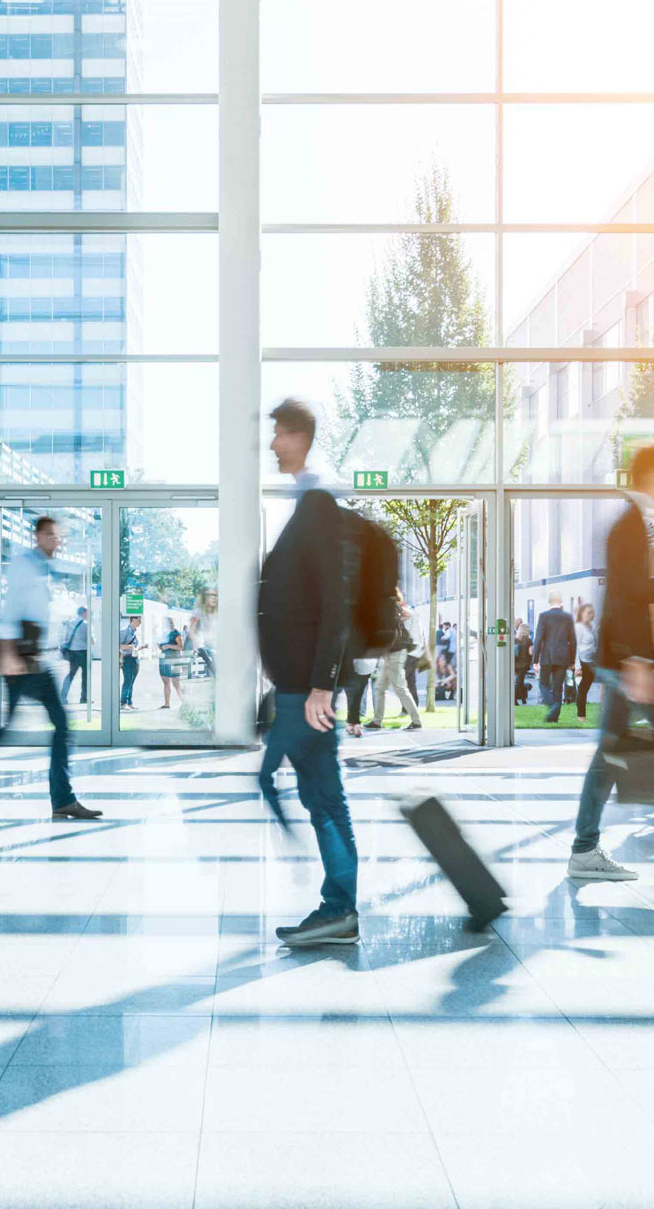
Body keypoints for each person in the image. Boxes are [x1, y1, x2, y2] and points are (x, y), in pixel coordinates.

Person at [257, 399, 358, 947]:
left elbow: (334, 602)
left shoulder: (317, 502)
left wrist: (323, 683)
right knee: (318, 795)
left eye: (278, 433)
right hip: (296, 687)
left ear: (298, 436)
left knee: (323, 798)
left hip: (307, 689)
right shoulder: (307, 501)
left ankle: (339, 906)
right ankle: (337, 903)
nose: (272, 444)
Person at [568, 443, 654, 882]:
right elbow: (624, 595)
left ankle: (589, 842)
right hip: (624, 659)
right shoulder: (630, 525)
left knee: (613, 749)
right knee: (650, 736)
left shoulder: (631, 523)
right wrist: (636, 660)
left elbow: (631, 588)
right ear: (651, 473)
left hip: (620, 658)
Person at [0, 515, 98, 821]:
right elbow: (10, 613)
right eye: (51, 535)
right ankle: (63, 799)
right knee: (60, 726)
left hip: (36, 660)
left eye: (59, 535)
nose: (57, 540)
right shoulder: (26, 566)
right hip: (24, 662)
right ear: (37, 536)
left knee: (10, 730)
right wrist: (8, 654)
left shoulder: (44, 570)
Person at [368, 587, 423, 731]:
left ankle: (417, 722)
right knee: (379, 687)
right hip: (391, 653)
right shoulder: (391, 607)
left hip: (395, 652)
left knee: (400, 687)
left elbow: (392, 630)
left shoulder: (390, 607)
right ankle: (377, 721)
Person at [533, 592, 577, 724]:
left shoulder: (544, 616)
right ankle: (553, 717)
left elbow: (539, 638)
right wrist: (572, 660)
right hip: (563, 657)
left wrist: (535, 659)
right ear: (561, 601)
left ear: (549, 601)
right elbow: (573, 640)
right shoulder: (568, 617)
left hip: (547, 656)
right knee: (558, 687)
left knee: (543, 683)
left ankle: (552, 705)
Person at [59, 605, 91, 705]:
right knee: (86, 676)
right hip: (83, 652)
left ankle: (63, 697)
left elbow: (65, 637)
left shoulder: (70, 623)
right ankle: (84, 698)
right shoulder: (85, 624)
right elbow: (90, 640)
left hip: (72, 652)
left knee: (71, 675)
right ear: (84, 613)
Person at [574, 601, 599, 718]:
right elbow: (575, 647)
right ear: (582, 613)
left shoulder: (593, 626)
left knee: (586, 688)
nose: (591, 615)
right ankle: (581, 716)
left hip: (593, 661)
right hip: (583, 661)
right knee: (583, 689)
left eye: (592, 612)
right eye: (589, 612)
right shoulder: (578, 627)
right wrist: (578, 667)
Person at [158, 625, 186, 710]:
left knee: (176, 683)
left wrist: (169, 646)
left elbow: (181, 647)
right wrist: (161, 647)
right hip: (164, 661)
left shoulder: (175, 633)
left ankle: (185, 702)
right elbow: (161, 646)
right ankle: (167, 704)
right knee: (166, 682)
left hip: (174, 661)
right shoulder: (163, 634)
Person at [119, 614, 143, 709]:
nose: (140, 622)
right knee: (127, 680)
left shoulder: (137, 633)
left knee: (132, 681)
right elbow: (118, 645)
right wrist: (129, 647)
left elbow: (135, 647)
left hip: (135, 659)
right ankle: (123, 702)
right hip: (126, 658)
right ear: (133, 620)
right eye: (139, 620)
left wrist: (142, 647)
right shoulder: (124, 632)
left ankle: (129, 702)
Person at [512, 619, 532, 705]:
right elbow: (531, 653)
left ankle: (523, 699)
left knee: (519, 681)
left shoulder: (515, 640)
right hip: (524, 664)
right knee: (519, 681)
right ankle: (515, 700)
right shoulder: (529, 641)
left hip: (515, 663)